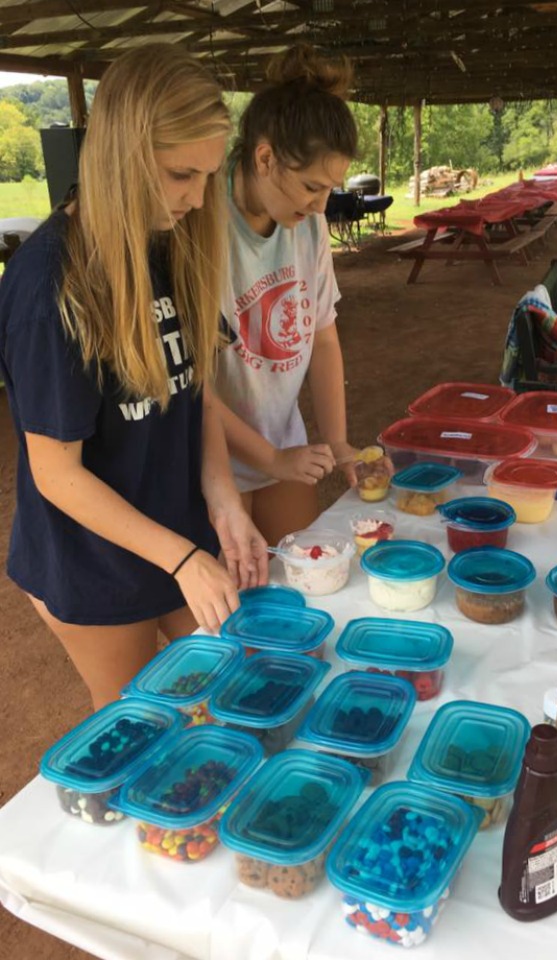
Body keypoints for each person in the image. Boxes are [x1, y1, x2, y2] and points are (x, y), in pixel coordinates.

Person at [0, 44, 268, 712]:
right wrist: (180, 558)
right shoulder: (48, 287)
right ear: (123, 155)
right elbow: (56, 474)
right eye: (182, 174)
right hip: (94, 560)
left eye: (209, 174)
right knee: (144, 725)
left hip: (174, 531)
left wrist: (225, 499)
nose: (199, 198)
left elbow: (192, 393)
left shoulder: (170, 241)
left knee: (225, 697)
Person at [215, 44, 363, 545]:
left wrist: (338, 444)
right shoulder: (200, 220)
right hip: (210, 454)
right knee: (228, 606)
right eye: (311, 187)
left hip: (281, 441)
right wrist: (269, 458)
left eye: (330, 190)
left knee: (302, 578)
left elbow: (323, 339)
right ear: (265, 158)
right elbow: (191, 387)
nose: (321, 205)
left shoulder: (307, 223)